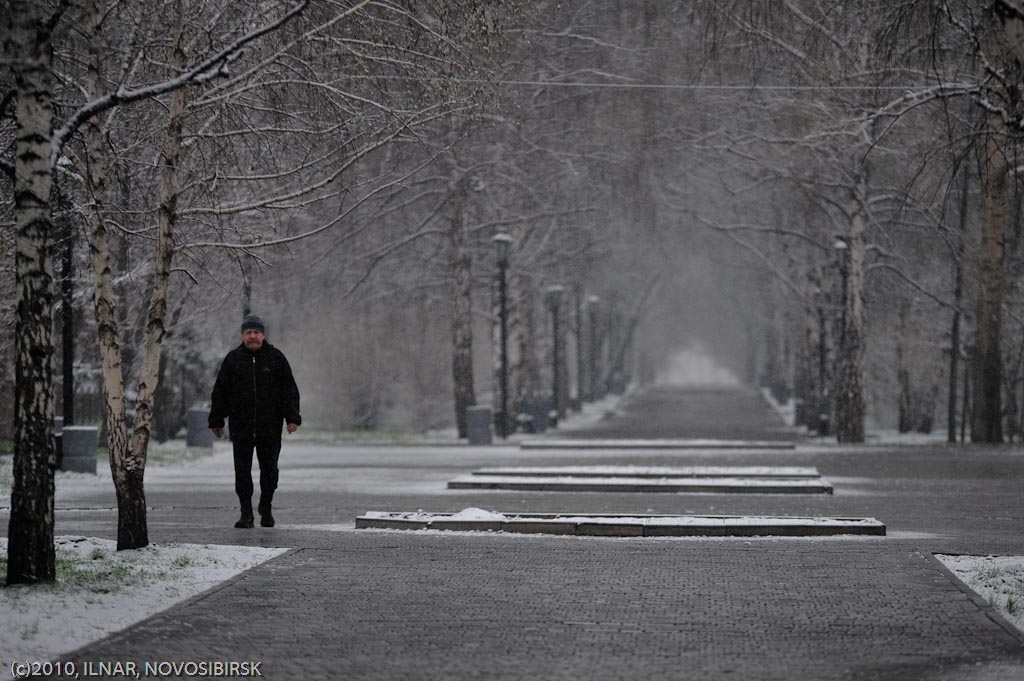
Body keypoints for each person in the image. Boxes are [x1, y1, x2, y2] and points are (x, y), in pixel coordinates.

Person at [208, 314, 301, 528]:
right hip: (241, 426)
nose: (253, 336)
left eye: (256, 332)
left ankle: (265, 506)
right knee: (242, 472)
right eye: (249, 332)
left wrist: (292, 417)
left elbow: (289, 390)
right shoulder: (233, 360)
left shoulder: (276, 358)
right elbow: (220, 391)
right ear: (243, 335)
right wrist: (216, 419)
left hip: (270, 426)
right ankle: (246, 513)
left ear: (263, 335)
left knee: (270, 471)